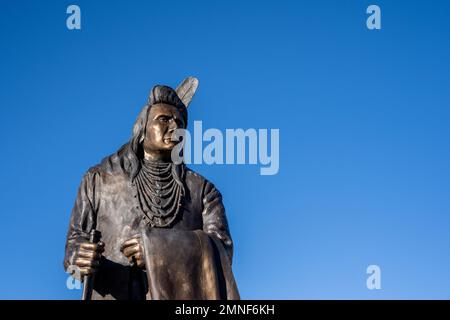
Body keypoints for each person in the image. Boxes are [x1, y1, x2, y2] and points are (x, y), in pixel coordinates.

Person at [64, 77, 239, 300]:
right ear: (143, 128)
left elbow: (223, 251)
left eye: (181, 123)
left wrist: (159, 250)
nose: (175, 127)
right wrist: (77, 258)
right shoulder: (98, 179)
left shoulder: (203, 190)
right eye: (164, 119)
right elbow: (73, 245)